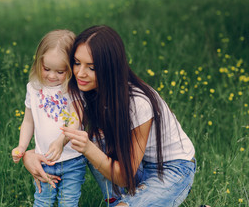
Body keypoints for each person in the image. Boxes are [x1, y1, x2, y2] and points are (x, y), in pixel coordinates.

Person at [23, 25, 196, 207]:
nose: (80, 73)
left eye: (92, 67)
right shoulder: (80, 90)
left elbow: (125, 176)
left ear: (109, 68)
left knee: (90, 142)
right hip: (132, 164)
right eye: (76, 62)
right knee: (89, 138)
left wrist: (88, 148)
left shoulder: (137, 103)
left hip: (171, 168)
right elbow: (58, 135)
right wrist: (30, 155)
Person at [11, 29, 86, 207]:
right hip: (43, 159)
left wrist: (62, 140)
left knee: (68, 203)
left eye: (60, 71)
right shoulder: (34, 88)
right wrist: (22, 146)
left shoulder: (72, 90)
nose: (52, 76)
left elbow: (76, 120)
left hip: (72, 160)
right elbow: (28, 120)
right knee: (42, 202)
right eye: (46, 69)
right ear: (39, 63)